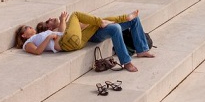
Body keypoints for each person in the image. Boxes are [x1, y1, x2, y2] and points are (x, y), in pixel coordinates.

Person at [16, 10, 154, 72]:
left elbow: (63, 32)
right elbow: (37, 51)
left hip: (85, 33)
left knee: (132, 20)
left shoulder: (58, 29)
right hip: (77, 38)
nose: (30, 27)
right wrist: (49, 35)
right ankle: (127, 62)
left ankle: (142, 50)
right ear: (23, 35)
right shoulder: (29, 43)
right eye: (27, 27)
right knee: (77, 14)